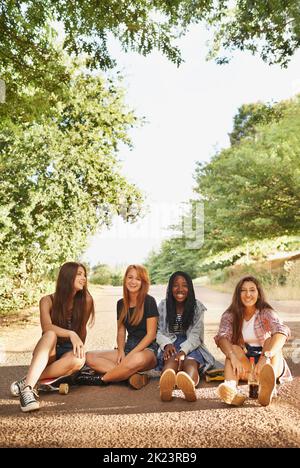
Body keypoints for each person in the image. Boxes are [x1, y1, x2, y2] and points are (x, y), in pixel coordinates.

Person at [10, 262, 95, 412]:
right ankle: (28, 390)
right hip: (48, 350)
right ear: (67, 277)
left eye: (85, 275)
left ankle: (30, 378)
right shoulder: (46, 301)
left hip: (67, 352)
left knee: (79, 359)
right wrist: (71, 333)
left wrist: (80, 349)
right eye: (79, 274)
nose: (84, 278)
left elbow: (82, 329)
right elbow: (47, 327)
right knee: (50, 335)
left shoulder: (86, 300)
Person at [215, 275, 292, 407]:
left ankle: (267, 389)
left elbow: (282, 331)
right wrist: (232, 356)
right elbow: (222, 337)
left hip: (269, 364)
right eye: (243, 290)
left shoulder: (266, 313)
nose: (248, 294)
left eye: (252, 290)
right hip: (247, 366)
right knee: (233, 348)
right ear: (238, 294)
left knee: (269, 342)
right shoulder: (230, 315)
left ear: (259, 294)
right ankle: (231, 390)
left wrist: (265, 357)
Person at [86, 264, 158, 389]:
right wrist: (120, 351)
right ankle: (131, 376)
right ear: (125, 279)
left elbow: (151, 335)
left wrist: (131, 355)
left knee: (135, 360)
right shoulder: (120, 304)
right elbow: (121, 331)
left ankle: (102, 379)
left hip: (148, 350)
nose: (133, 281)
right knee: (89, 357)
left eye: (138, 279)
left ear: (143, 282)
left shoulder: (149, 301)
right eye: (130, 277)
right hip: (128, 346)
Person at [157, 271, 216, 402]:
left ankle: (189, 385)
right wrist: (167, 345)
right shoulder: (163, 305)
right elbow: (159, 331)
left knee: (190, 363)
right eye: (175, 285)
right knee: (170, 361)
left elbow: (196, 335)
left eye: (184, 285)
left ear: (190, 288)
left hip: (191, 344)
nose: (180, 289)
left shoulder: (197, 307)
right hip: (170, 342)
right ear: (170, 288)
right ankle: (166, 387)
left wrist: (184, 351)